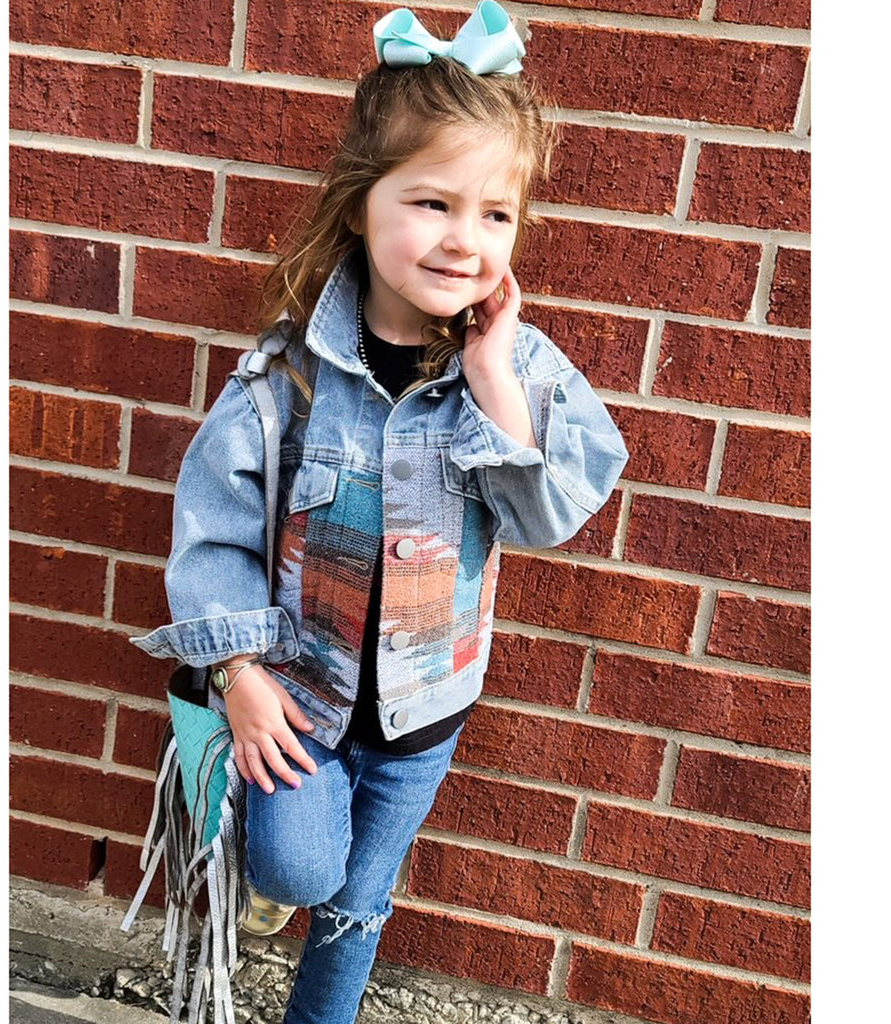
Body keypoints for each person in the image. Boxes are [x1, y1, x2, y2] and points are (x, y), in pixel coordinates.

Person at [129, 3, 630, 1022]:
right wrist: (240, 676)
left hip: (423, 718)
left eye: (495, 215)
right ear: (363, 205)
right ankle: (255, 851)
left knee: (358, 907)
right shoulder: (286, 377)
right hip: (296, 703)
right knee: (307, 873)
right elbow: (213, 528)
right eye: (433, 203)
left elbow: (545, 516)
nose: (465, 239)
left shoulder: (519, 370)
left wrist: (492, 374)